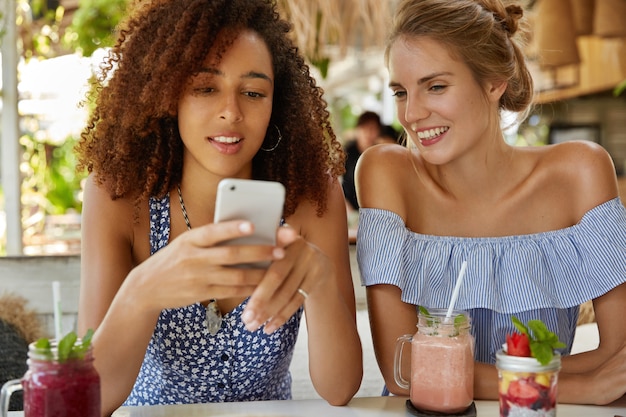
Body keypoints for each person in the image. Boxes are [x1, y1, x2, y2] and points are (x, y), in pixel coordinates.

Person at [74, 0, 363, 414]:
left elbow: (339, 390)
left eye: (253, 92)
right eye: (205, 88)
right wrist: (140, 293)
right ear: (167, 94)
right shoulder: (118, 197)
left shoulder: (310, 197)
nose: (231, 111)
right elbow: (90, 399)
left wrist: (319, 283)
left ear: (275, 105)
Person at [355, 0, 626, 406]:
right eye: (400, 91)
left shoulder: (580, 172)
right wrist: (574, 386)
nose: (411, 113)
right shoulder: (386, 173)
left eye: (436, 86)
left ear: (495, 82)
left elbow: (618, 358)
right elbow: (406, 373)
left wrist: (460, 376)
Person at [341, 111, 381, 212]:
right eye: (364, 128)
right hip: (350, 209)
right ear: (357, 130)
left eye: (372, 129)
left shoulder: (381, 153)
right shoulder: (347, 152)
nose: (368, 133)